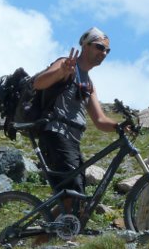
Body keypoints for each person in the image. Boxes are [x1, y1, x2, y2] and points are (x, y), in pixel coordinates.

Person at [31, 27, 119, 217]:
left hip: (71, 141)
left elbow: (100, 120)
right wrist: (61, 72)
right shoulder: (65, 64)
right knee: (73, 196)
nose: (103, 53)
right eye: (99, 47)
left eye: (107, 50)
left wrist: (119, 127)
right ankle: (39, 238)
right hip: (56, 134)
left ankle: (43, 240)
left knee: (76, 200)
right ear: (85, 46)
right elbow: (38, 83)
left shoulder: (89, 83)